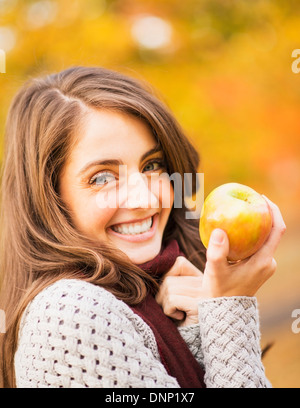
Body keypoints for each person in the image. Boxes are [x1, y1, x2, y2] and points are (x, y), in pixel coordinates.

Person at [0, 66, 286, 388]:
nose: (145, 197)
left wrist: (199, 329)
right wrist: (231, 311)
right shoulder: (71, 314)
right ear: (51, 199)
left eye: (152, 166)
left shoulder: (155, 291)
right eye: (103, 177)